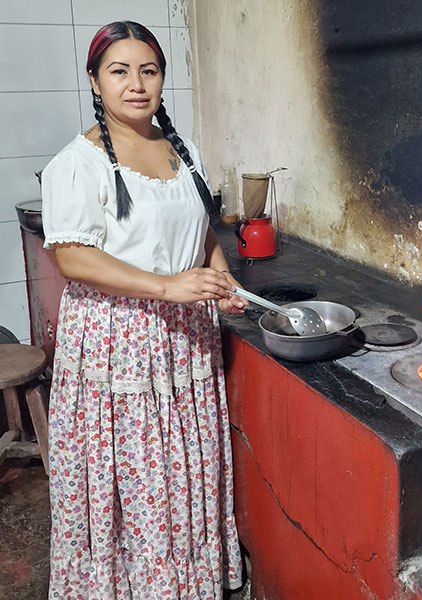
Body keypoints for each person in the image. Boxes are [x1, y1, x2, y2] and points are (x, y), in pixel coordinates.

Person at [41, 21, 245, 599]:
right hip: (120, 339)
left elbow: (200, 227)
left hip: (182, 332)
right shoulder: (79, 162)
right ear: (95, 81)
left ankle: (185, 583)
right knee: (138, 475)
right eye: (119, 71)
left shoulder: (181, 149)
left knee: (184, 467)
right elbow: (73, 259)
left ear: (162, 78)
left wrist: (219, 274)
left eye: (149, 70)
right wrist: (166, 286)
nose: (136, 84)